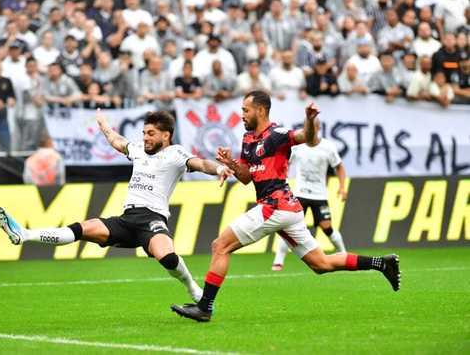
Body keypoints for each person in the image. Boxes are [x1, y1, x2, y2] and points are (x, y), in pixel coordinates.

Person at [171, 90, 401, 322]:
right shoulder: (248, 138)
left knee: (220, 246)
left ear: (260, 110)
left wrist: (310, 120)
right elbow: (246, 177)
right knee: (321, 264)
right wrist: (230, 163)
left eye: (245, 110)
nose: (241, 115)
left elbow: (307, 138)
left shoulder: (277, 135)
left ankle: (205, 307)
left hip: (275, 205)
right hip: (287, 210)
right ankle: (382, 263)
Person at [0, 110, 234, 303]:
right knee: (81, 229)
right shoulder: (139, 150)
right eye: (144, 133)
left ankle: (194, 290)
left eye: (151, 133)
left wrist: (219, 168)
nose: (146, 138)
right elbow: (116, 141)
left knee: (167, 257)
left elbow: (201, 163)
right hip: (127, 220)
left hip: (152, 219)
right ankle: (25, 234)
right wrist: (103, 125)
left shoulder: (175, 153)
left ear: (166, 136)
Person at [271, 119, 348, 271]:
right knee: (288, 227)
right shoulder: (297, 147)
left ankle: (344, 254)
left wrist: (342, 187)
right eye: (308, 126)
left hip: (319, 195)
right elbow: (285, 163)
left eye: (313, 126)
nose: (310, 129)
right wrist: (280, 183)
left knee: (327, 227)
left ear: (319, 127)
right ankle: (278, 260)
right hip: (299, 194)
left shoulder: (327, 147)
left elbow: (339, 167)